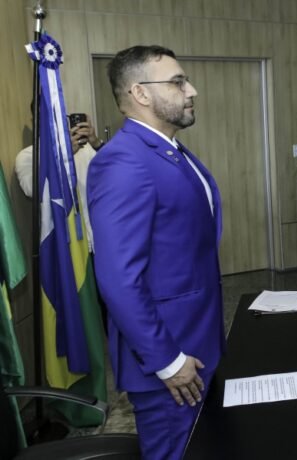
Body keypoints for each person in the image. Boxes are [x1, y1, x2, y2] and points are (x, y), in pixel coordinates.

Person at [87, 45, 225, 460]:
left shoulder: (168, 150)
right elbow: (118, 279)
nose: (192, 90)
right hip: (170, 363)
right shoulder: (124, 162)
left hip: (198, 343)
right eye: (178, 82)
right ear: (141, 93)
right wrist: (168, 361)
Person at [15, 112, 105, 251]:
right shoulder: (28, 156)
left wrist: (96, 143)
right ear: (37, 120)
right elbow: (32, 190)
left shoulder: (85, 148)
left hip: (97, 239)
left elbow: (115, 172)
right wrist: (63, 157)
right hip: (62, 245)